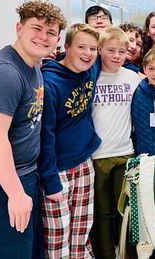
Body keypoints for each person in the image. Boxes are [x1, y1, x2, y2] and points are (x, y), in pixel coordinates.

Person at [0, 2, 66, 258]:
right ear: (19, 28)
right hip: (3, 183)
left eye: (50, 32)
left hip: (27, 175)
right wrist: (15, 194)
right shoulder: (5, 73)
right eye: (37, 28)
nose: (43, 37)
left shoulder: (33, 64)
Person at [39, 23, 101, 258]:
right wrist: (50, 180)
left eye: (93, 48)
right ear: (66, 47)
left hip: (84, 163)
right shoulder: (50, 83)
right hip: (57, 171)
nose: (87, 53)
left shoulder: (91, 69)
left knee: (81, 233)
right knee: (58, 238)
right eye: (81, 47)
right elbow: (45, 136)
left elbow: (119, 59)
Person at [90, 27, 142, 259]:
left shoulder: (132, 77)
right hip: (97, 155)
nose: (116, 56)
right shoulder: (90, 76)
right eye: (111, 50)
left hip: (125, 153)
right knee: (102, 213)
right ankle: (105, 254)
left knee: (126, 211)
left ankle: (127, 254)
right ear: (100, 49)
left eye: (122, 51)